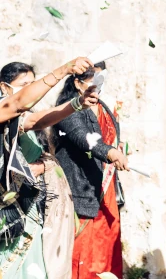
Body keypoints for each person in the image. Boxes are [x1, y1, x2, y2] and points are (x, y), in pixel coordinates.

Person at [0, 57, 96, 279]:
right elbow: (16, 103)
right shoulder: (6, 109)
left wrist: (77, 104)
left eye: (34, 84)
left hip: (28, 203)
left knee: (33, 264)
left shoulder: (18, 118)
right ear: (4, 87)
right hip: (7, 207)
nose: (33, 91)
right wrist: (63, 70)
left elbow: (36, 121)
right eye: (26, 85)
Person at [53, 67, 129, 279]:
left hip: (99, 189)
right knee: (81, 254)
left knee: (100, 251)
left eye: (100, 84)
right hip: (79, 189)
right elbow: (83, 137)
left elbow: (108, 138)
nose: (98, 90)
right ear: (78, 83)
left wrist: (118, 148)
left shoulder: (99, 107)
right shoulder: (67, 109)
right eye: (92, 84)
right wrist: (110, 152)